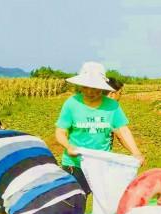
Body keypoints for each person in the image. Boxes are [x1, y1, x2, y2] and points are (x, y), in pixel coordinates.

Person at [55, 62, 144, 195]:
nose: (91, 92)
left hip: (102, 164)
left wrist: (136, 152)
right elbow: (60, 131)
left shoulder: (112, 106)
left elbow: (123, 130)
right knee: (74, 202)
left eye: (95, 88)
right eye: (86, 87)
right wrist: (68, 146)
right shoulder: (72, 103)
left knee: (105, 202)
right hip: (75, 164)